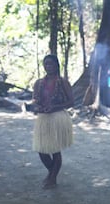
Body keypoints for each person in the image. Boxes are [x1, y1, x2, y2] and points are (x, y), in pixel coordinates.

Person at [32, 54, 74, 189]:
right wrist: (37, 107)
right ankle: (52, 174)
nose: (48, 66)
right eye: (46, 64)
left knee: (55, 150)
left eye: (51, 64)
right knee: (42, 149)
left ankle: (52, 178)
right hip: (43, 118)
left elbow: (71, 102)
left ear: (56, 65)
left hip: (58, 117)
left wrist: (55, 107)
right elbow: (35, 101)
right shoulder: (38, 83)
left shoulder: (62, 82)